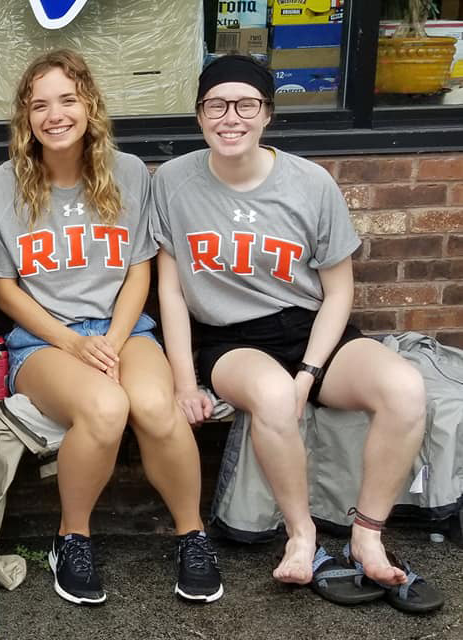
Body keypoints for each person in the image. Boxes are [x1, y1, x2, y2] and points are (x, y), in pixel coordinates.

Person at [154, 55, 429, 591]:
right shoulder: (172, 181)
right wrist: (185, 380)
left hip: (307, 327)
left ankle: (367, 534)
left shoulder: (311, 183)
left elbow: (338, 290)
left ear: (268, 114)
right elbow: (170, 287)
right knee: (276, 398)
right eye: (216, 105)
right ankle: (301, 537)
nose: (230, 117)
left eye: (246, 104)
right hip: (229, 337)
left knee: (405, 387)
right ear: (199, 115)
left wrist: (309, 371)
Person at [0, 49, 223, 606]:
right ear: (25, 117)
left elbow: (141, 270)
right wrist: (74, 342)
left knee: (157, 408)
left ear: (89, 104)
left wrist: (111, 340)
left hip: (125, 331)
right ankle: (73, 537)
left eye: (67, 99)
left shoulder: (129, 172)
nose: (55, 114)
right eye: (40, 105)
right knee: (107, 408)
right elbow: (3, 291)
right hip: (44, 341)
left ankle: (192, 535)